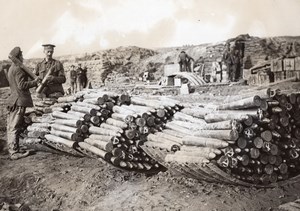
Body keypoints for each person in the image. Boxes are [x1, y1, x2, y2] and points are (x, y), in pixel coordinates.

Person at [6, 47, 41, 160]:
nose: (23, 57)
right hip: (19, 100)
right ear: (19, 57)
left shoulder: (11, 68)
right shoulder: (18, 69)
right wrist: (35, 82)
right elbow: (22, 85)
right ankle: (14, 152)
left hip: (14, 99)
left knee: (11, 126)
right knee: (14, 126)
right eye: (21, 55)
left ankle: (13, 148)